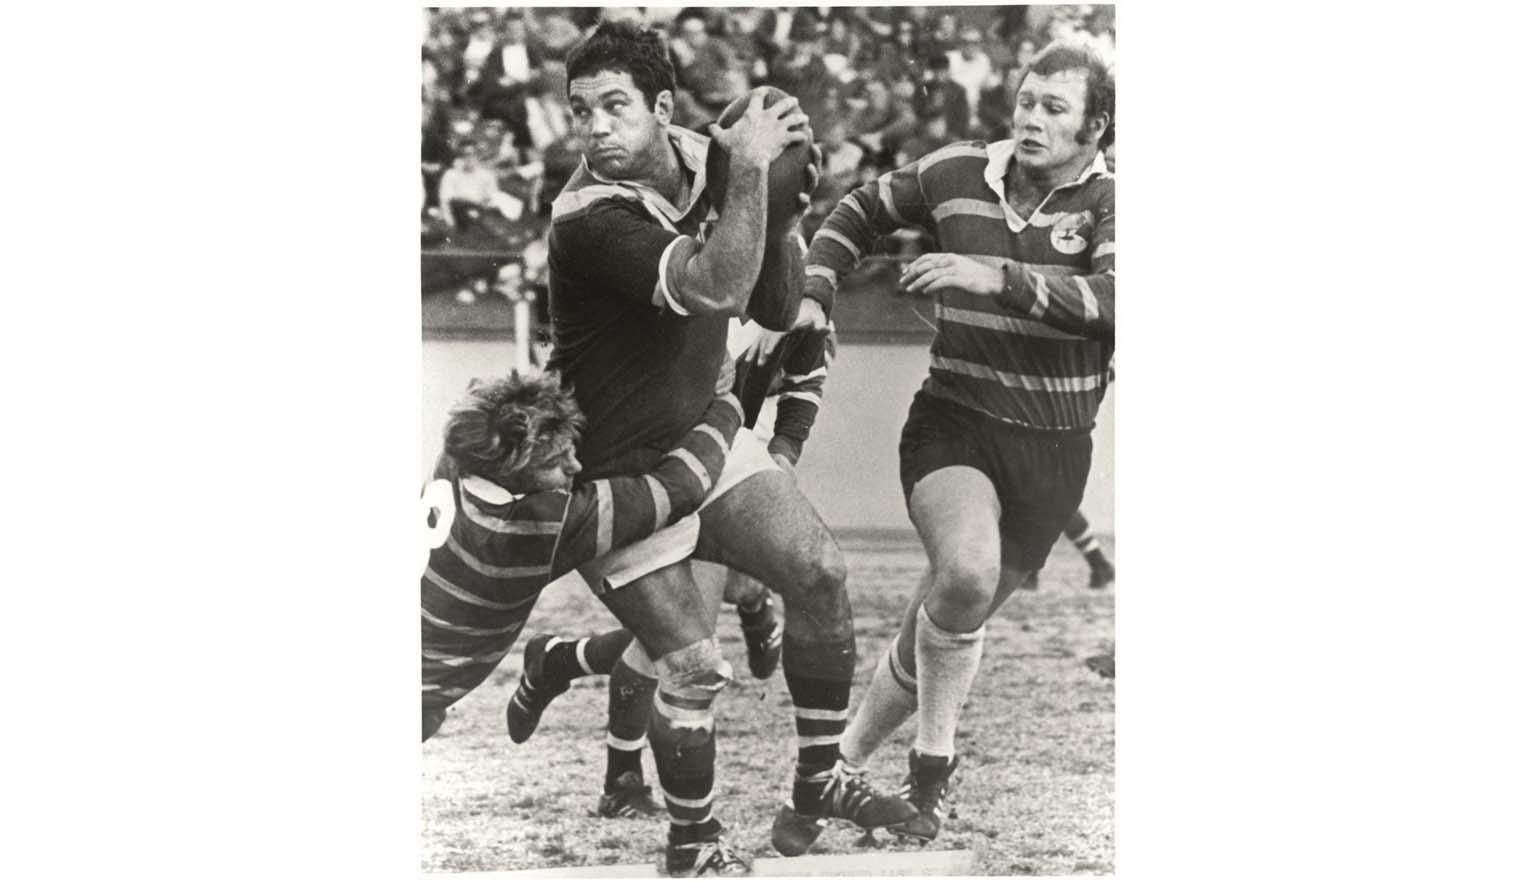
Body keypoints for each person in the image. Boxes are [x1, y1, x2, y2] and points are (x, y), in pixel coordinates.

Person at [543, 21, 912, 874]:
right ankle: (693, 845)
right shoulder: (585, 217)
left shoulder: (704, 158)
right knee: (693, 668)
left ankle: (818, 781)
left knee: (819, 573)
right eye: (581, 110)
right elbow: (714, 285)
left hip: (703, 439)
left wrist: (784, 209)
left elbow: (776, 309)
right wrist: (751, 174)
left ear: (662, 107)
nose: (595, 127)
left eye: (613, 105)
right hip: (617, 474)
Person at [799, 40, 1115, 844]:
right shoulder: (957, 171)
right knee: (967, 576)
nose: (1031, 118)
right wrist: (815, 289)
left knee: (938, 620)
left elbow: (1118, 300)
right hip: (956, 420)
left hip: (1056, 451)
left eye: (1054, 108)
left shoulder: (1115, 201)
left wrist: (994, 276)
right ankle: (932, 767)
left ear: (1095, 129)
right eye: (1026, 100)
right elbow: (858, 210)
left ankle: (833, 770)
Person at [508, 314, 836, 821]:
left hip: (737, 453)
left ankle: (562, 662)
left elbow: (808, 372)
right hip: (663, 453)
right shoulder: (681, 282)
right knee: (679, 638)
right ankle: (621, 773)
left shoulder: (794, 287)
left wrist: (785, 449)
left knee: (692, 626)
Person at [419, 367, 742, 743]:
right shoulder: (532, 526)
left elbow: (501, 412)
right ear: (510, 472)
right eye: (554, 463)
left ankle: (559, 659)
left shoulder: (456, 461)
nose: (576, 466)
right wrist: (728, 403)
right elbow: (681, 488)